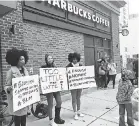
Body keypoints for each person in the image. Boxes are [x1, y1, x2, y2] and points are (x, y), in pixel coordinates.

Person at [5, 48, 29, 126]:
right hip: (16, 99)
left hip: (24, 98)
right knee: (18, 120)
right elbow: (6, 85)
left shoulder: (25, 71)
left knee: (24, 119)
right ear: (16, 60)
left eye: (24, 59)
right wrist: (9, 88)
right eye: (21, 59)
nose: (23, 61)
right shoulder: (10, 72)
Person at [41, 54, 65, 126]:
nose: (50, 59)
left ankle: (57, 118)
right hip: (49, 88)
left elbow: (59, 76)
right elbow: (42, 77)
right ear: (46, 60)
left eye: (51, 58)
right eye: (48, 58)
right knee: (50, 104)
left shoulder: (55, 67)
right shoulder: (43, 67)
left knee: (59, 101)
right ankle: (51, 120)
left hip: (56, 88)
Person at [66, 52, 84, 120]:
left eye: (76, 59)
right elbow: (66, 75)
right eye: (73, 59)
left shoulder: (81, 65)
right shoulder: (69, 66)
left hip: (79, 84)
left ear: (78, 59)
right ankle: (75, 113)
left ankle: (79, 111)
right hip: (73, 85)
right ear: (71, 59)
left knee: (78, 98)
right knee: (74, 99)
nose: (75, 60)